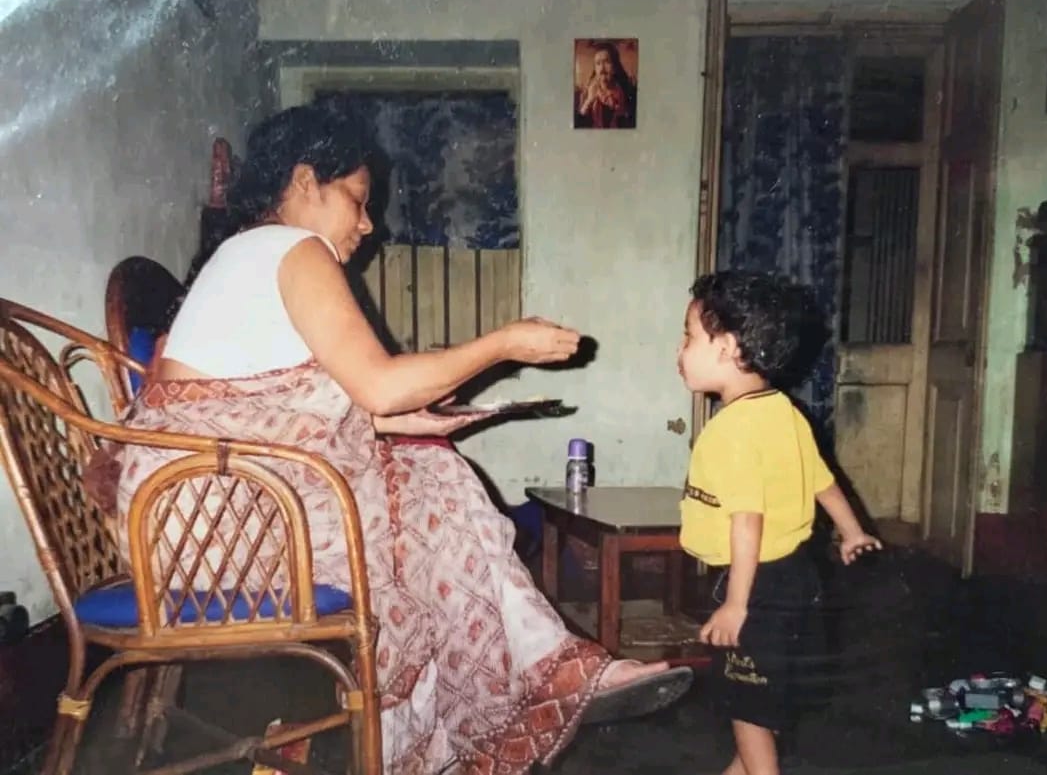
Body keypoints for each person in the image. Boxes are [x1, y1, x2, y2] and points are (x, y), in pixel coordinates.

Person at [91, 101, 692, 774]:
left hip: (186, 518)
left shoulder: (249, 252)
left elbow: (282, 408)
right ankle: (534, 680)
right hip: (222, 515)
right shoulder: (292, 248)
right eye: (358, 200)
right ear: (305, 182)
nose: (368, 224)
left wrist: (406, 421)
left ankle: (525, 679)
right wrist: (501, 343)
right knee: (434, 489)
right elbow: (375, 386)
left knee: (427, 480)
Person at [675, 272, 881, 775]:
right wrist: (852, 531)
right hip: (795, 579)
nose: (679, 351)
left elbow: (747, 521)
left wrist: (736, 605)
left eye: (688, 338)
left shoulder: (732, 430)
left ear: (727, 348)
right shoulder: (783, 411)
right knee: (761, 706)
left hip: (756, 586)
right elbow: (822, 481)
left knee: (748, 713)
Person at [575, 41, 637, 129]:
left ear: (615, 67)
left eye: (607, 62)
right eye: (598, 63)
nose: (602, 68)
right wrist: (589, 101)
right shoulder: (586, 94)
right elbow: (578, 127)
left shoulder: (626, 92)